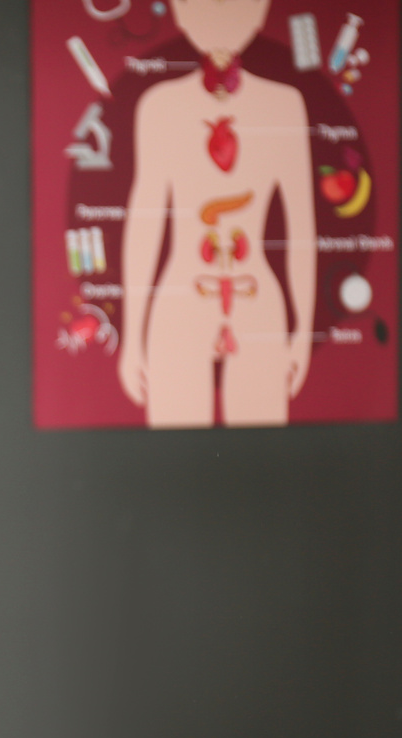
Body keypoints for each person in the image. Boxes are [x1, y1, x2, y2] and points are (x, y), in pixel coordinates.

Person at [116, 0, 316, 427]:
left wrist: (302, 332)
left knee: (264, 455)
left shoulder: (284, 106)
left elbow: (301, 227)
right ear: (178, 11)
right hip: (179, 299)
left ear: (261, 10)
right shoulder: (159, 106)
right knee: (170, 451)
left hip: (257, 297)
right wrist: (132, 338)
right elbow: (145, 220)